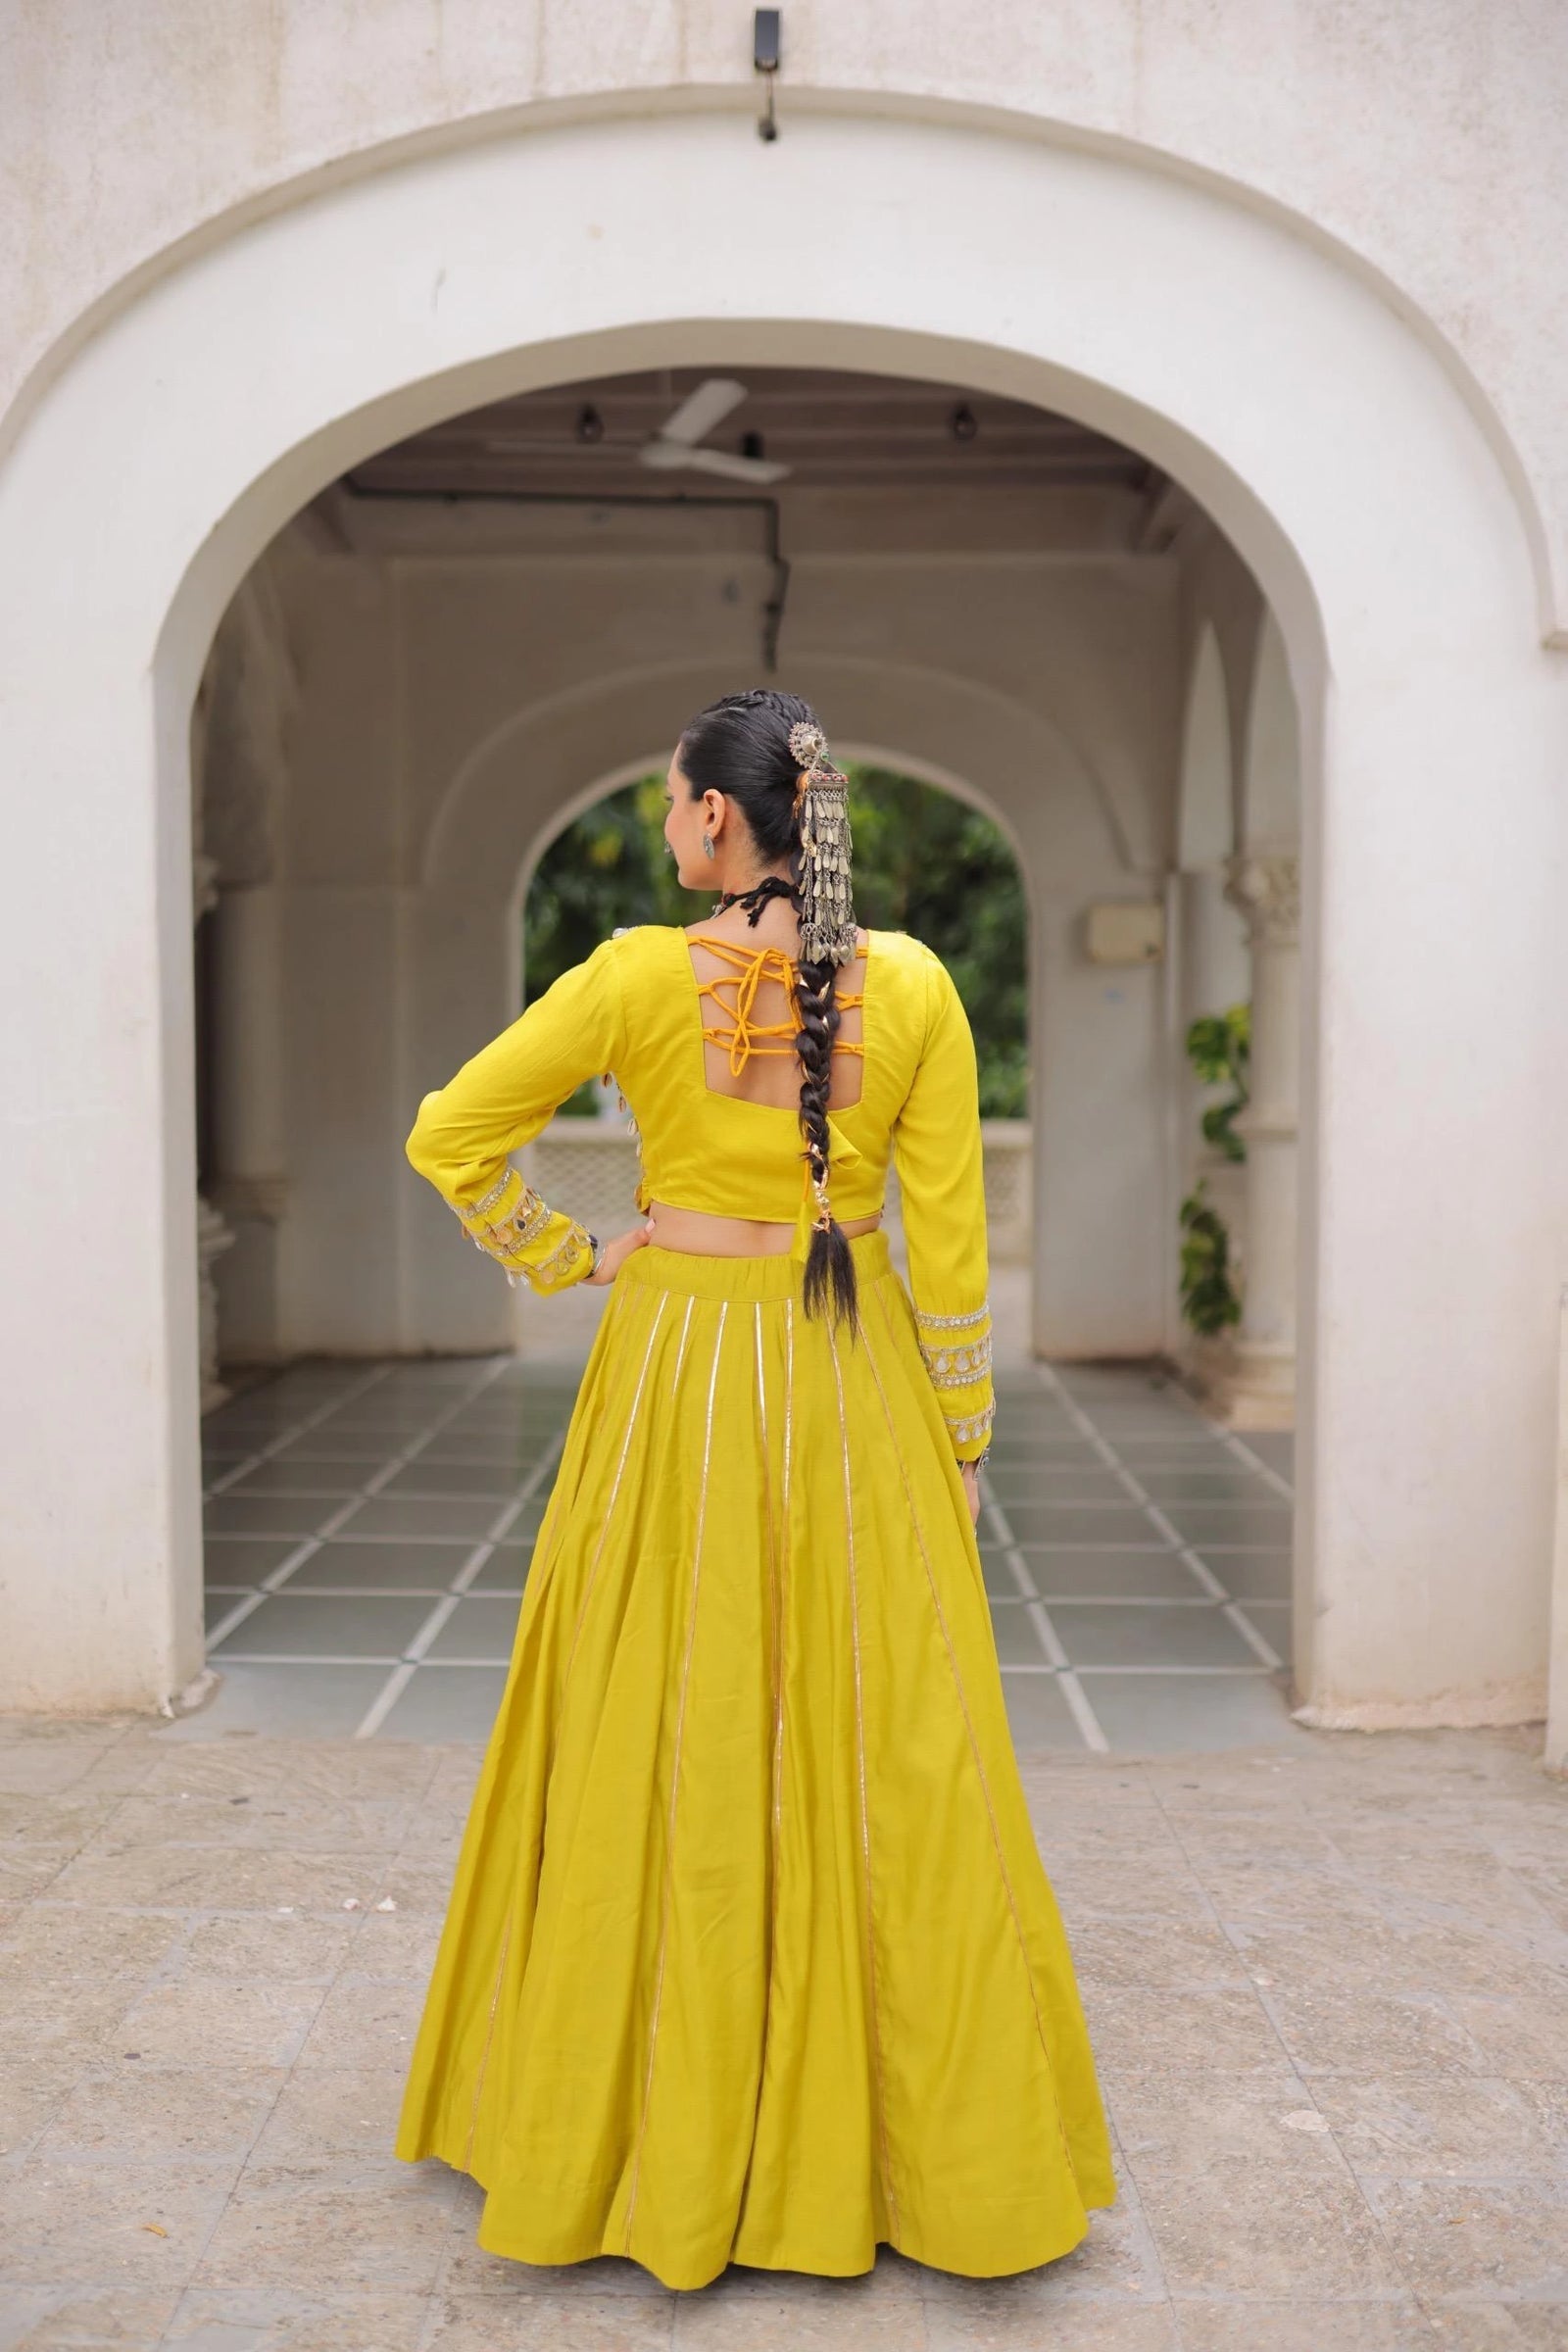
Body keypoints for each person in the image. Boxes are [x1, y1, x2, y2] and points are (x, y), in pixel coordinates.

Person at [394, 689, 1114, 2290]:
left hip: (675, 1384)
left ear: (719, 821)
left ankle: (636, 2125)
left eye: (668, 805)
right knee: (885, 1749)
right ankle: (917, 2155)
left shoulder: (638, 975)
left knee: (665, 1721)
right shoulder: (916, 985)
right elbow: (947, 1252)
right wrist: (968, 1440)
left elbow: (451, 1135)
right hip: (856, 1388)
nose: (665, 828)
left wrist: (577, 1255)